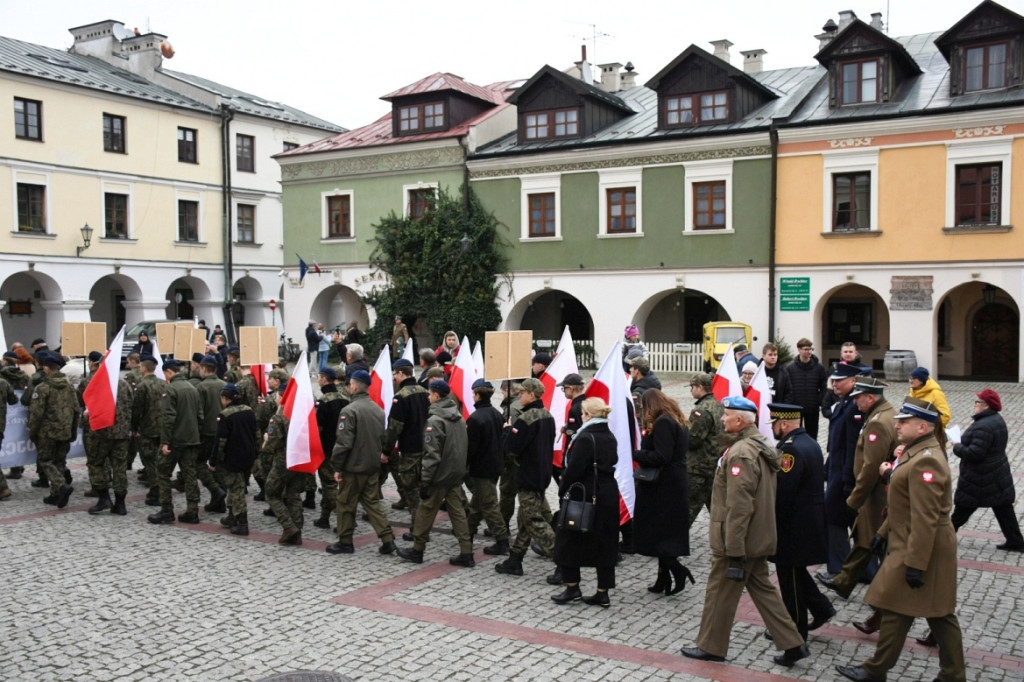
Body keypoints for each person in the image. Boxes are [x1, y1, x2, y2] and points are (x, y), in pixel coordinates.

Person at [835, 398, 966, 682]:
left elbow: (925, 517)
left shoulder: (926, 460)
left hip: (923, 546)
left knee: (939, 613)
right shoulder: (914, 452)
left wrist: (916, 563)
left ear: (922, 426)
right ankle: (878, 669)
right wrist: (882, 533)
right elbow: (902, 506)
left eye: (904, 422)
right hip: (908, 541)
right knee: (899, 606)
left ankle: (951, 675)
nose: (897, 424)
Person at [681, 396, 810, 668]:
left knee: (719, 594)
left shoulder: (741, 452)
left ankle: (711, 646)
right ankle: (793, 643)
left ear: (739, 421)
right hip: (757, 536)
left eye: (727, 415)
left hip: (739, 540)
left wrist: (735, 550)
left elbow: (739, 506)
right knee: (763, 590)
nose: (723, 419)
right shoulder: (757, 445)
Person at [818, 376, 897, 629]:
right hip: (876, 493)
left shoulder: (876, 423)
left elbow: (871, 467)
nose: (855, 402)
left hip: (877, 496)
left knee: (877, 542)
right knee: (864, 537)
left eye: (858, 398)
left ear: (870, 398)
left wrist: (855, 499)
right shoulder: (881, 414)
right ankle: (844, 581)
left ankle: (883, 599)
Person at [768, 402, 835, 639]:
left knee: (790, 581)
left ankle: (794, 633)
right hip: (808, 519)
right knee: (795, 572)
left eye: (774, 423)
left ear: (784, 423)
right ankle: (821, 607)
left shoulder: (790, 450)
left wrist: (770, 520)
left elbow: (784, 491)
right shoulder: (809, 442)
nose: (773, 428)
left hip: (794, 524)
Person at [550, 397, 620, 607]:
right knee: (605, 543)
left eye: (582, 413)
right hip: (608, 494)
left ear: (588, 415)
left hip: (585, 494)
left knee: (568, 538)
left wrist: (563, 491)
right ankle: (602, 592)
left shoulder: (585, 438)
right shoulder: (609, 436)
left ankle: (572, 587)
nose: (580, 416)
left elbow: (574, 471)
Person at [396, 380, 474, 566]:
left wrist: (426, 480)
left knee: (425, 511)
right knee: (458, 514)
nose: (428, 398)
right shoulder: (458, 417)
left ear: (437, 396)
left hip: (439, 476)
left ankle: (417, 550)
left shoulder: (435, 420)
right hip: (454, 474)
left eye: (430, 394)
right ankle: (466, 551)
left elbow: (431, 455)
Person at [326, 370, 397, 556]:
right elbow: (382, 437)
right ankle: (388, 540)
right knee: (372, 503)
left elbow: (344, 443)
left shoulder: (349, 411)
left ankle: (345, 541)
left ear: (355, 387)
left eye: (349, 385)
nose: (348, 387)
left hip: (353, 467)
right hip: (371, 465)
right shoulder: (378, 410)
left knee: (345, 503)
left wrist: (337, 466)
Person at [632, 389, 692, 595]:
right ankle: (663, 579)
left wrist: (637, 454)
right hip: (671, 482)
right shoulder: (674, 418)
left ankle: (678, 571)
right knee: (662, 534)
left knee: (659, 533)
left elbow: (662, 456)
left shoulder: (663, 422)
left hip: (664, 485)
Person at [495, 377, 557, 577]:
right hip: (542, 474)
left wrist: (506, 432)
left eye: (522, 392)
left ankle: (564, 561)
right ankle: (515, 559)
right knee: (524, 518)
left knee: (533, 521)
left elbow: (511, 449)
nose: (519, 395)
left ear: (532, 395)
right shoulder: (548, 415)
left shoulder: (525, 419)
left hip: (527, 475)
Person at [951, 389, 1023, 551]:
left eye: (978, 402)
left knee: (963, 508)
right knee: (1003, 507)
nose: (975, 405)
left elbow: (975, 453)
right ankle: (1016, 541)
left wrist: (957, 446)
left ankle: (943, 536)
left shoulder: (983, 426)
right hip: (996, 472)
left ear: (986, 406)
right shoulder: (996, 420)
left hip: (980, 477)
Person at [821, 361, 865, 582]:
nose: (835, 384)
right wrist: (827, 466)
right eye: (834, 380)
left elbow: (852, 448)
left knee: (836, 519)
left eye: (840, 380)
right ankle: (862, 569)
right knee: (849, 521)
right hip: (837, 471)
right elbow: (836, 444)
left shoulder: (854, 407)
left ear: (853, 381)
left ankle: (839, 568)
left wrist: (847, 479)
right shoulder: (843, 403)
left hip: (844, 477)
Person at [147, 359, 205, 525]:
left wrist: (165, 442)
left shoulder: (170, 389)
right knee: (190, 475)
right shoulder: (193, 388)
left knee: (163, 473)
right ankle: (192, 511)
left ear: (168, 372)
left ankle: (166, 510)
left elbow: (168, 418)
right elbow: (200, 416)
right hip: (191, 439)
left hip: (175, 441)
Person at [382, 358, 430, 529]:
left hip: (410, 450)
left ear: (401, 373)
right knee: (423, 487)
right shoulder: (425, 392)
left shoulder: (400, 397)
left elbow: (394, 427)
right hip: (426, 448)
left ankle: (418, 528)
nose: (395, 378)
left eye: (395, 374)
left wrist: (386, 451)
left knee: (411, 489)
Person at [29, 352, 78, 509]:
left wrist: (32, 431)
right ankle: (56, 494)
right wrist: (73, 431)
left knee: (45, 461)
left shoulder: (43, 388)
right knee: (59, 462)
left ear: (47, 369)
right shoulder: (69, 386)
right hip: (64, 430)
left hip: (47, 432)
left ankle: (61, 485)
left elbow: (36, 414)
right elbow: (76, 410)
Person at [465, 379, 509, 554]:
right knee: (477, 503)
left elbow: (471, 447)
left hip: (482, 467)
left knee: (489, 505)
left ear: (477, 395)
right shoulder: (497, 414)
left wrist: (465, 465)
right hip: (494, 465)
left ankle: (502, 540)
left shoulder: (475, 418)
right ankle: (467, 532)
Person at [85, 366, 133, 516]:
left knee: (95, 464)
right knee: (119, 467)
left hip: (102, 433)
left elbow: (91, 408)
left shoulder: (99, 384)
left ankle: (104, 498)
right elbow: (132, 405)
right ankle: (120, 503)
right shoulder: (125, 385)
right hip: (121, 433)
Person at [213, 383, 259, 536]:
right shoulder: (249, 411)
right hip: (249, 456)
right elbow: (257, 434)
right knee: (236, 487)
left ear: (225, 398)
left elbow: (220, 441)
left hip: (233, 458)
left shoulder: (224, 415)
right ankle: (231, 516)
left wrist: (214, 461)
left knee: (236, 490)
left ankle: (242, 523)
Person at [686, 372, 724, 527]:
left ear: (700, 387)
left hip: (698, 467)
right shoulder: (718, 405)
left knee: (686, 507)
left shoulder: (701, 410)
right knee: (717, 510)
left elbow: (692, 440)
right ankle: (725, 539)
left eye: (692, 387)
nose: (691, 391)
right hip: (714, 465)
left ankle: (674, 542)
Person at [313, 367, 348, 530]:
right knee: (331, 484)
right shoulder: (345, 398)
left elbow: (318, 427)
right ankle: (324, 517)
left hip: (327, 449)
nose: (318, 380)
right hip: (342, 446)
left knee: (329, 485)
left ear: (325, 379)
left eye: (319, 377)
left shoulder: (323, 401)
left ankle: (345, 519)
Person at [784, 338, 828, 439]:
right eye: (806, 349)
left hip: (812, 407)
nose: (809, 351)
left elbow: (824, 386)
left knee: (812, 435)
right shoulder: (790, 368)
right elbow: (787, 388)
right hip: (795, 408)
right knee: (794, 435)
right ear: (799, 350)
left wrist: (819, 401)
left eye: (810, 349)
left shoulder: (819, 368)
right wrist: (789, 403)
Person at [908, 367, 951, 448]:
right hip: (915, 434)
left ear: (922, 380)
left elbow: (945, 416)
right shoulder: (912, 393)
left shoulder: (936, 394)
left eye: (914, 378)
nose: (911, 380)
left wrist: (928, 426)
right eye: (910, 378)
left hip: (933, 436)